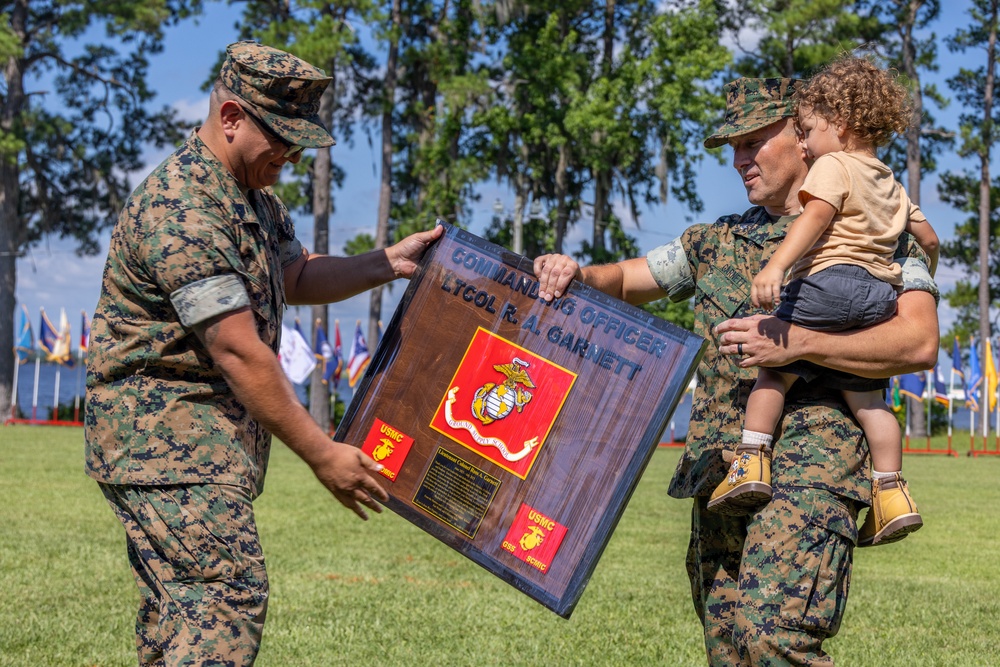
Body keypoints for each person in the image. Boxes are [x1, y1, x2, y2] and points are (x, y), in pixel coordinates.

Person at [534, 78, 939, 665]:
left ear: (804, 136)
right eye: (733, 147)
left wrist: (796, 343)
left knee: (775, 639)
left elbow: (919, 343)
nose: (739, 159)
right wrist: (576, 274)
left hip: (812, 466)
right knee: (729, 651)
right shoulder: (715, 242)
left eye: (754, 141)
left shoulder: (877, 235)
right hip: (722, 472)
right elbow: (626, 280)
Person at [85, 41, 442, 665]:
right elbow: (238, 350)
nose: (292, 156)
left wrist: (387, 262)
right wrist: (323, 454)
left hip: (194, 447)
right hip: (167, 442)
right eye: (281, 138)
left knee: (183, 618)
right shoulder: (184, 209)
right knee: (223, 601)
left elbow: (295, 274)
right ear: (231, 117)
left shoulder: (250, 194)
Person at [706, 56, 939, 551]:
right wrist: (925, 271)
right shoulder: (891, 181)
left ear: (842, 123)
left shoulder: (834, 165)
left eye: (810, 131)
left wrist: (776, 267)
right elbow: (930, 238)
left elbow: (814, 218)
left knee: (774, 369)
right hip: (878, 295)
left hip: (826, 281)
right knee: (870, 402)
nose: (807, 144)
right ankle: (891, 492)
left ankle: (752, 458)